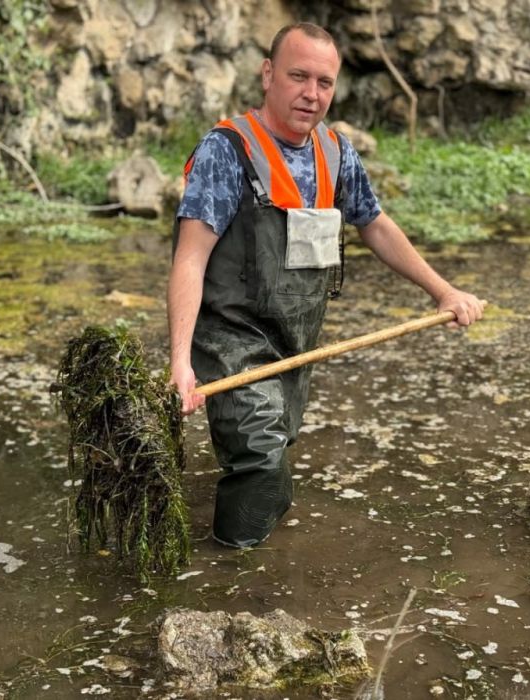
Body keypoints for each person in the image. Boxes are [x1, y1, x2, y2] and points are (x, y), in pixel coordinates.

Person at [168, 22, 485, 548]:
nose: (311, 94)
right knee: (263, 469)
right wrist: (180, 359)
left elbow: (377, 226)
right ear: (268, 74)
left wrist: (442, 291)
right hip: (230, 342)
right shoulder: (226, 152)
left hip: (296, 344)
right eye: (298, 76)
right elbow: (189, 259)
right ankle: (229, 582)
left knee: (272, 450)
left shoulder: (337, 154)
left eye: (325, 82)